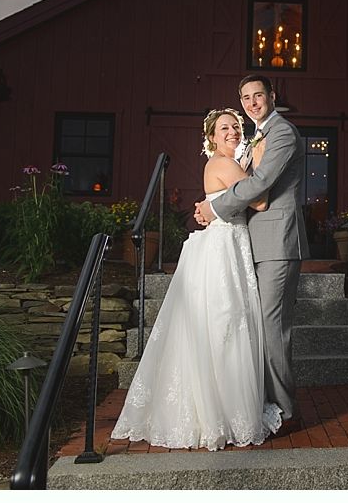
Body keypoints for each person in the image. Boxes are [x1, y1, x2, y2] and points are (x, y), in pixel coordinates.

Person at [110, 108, 281, 450]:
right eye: (225, 128)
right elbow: (259, 200)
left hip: (225, 245)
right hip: (224, 249)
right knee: (226, 326)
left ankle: (216, 407)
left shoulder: (228, 164)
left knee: (222, 326)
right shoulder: (223, 163)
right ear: (212, 138)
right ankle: (224, 413)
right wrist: (260, 162)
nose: (233, 131)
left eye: (236, 126)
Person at [194, 74, 310, 431]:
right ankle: (261, 402)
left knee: (272, 327)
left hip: (277, 241)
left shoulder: (282, 133)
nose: (252, 102)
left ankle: (286, 414)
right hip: (250, 243)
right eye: (245, 97)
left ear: (272, 96)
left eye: (258, 95)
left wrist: (214, 208)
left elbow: (259, 186)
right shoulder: (253, 137)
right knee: (257, 326)